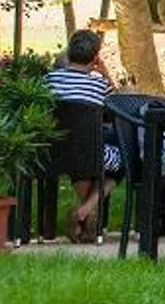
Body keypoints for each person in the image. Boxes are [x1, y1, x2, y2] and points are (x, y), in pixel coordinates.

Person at [45, 30, 121, 242]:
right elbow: (118, 108)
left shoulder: (48, 80)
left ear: (68, 53)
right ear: (96, 58)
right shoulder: (98, 85)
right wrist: (105, 73)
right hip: (88, 154)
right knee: (124, 160)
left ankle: (85, 220)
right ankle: (85, 211)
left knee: (81, 154)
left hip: (53, 154)